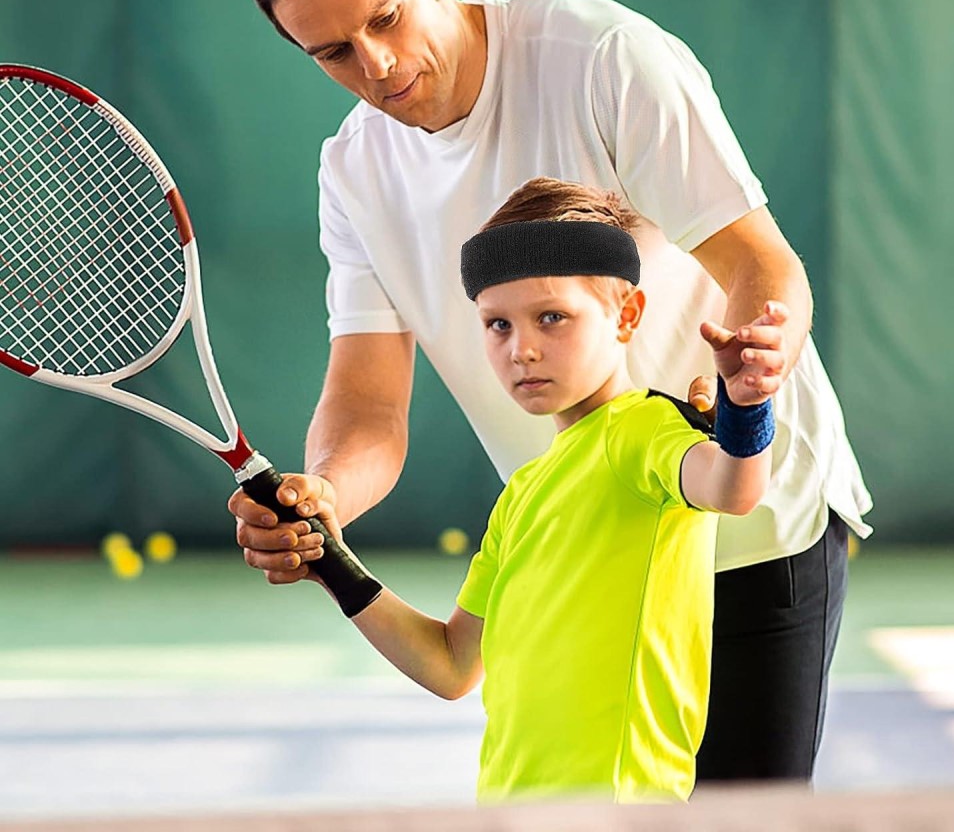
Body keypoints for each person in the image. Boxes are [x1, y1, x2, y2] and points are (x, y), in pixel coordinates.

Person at [230, 0, 873, 782]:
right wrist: (327, 496)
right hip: (583, 539)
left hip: (756, 526)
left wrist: (749, 382)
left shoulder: (601, 58)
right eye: (332, 52)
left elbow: (764, 270)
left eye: (386, 17)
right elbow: (370, 402)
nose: (373, 65)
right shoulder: (354, 172)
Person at [299, 179, 782, 802]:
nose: (521, 349)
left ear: (625, 315)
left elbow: (733, 487)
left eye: (551, 317)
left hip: (619, 809)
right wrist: (330, 564)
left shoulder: (642, 431)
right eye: (497, 325)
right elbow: (450, 665)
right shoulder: (522, 491)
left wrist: (747, 409)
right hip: (511, 807)